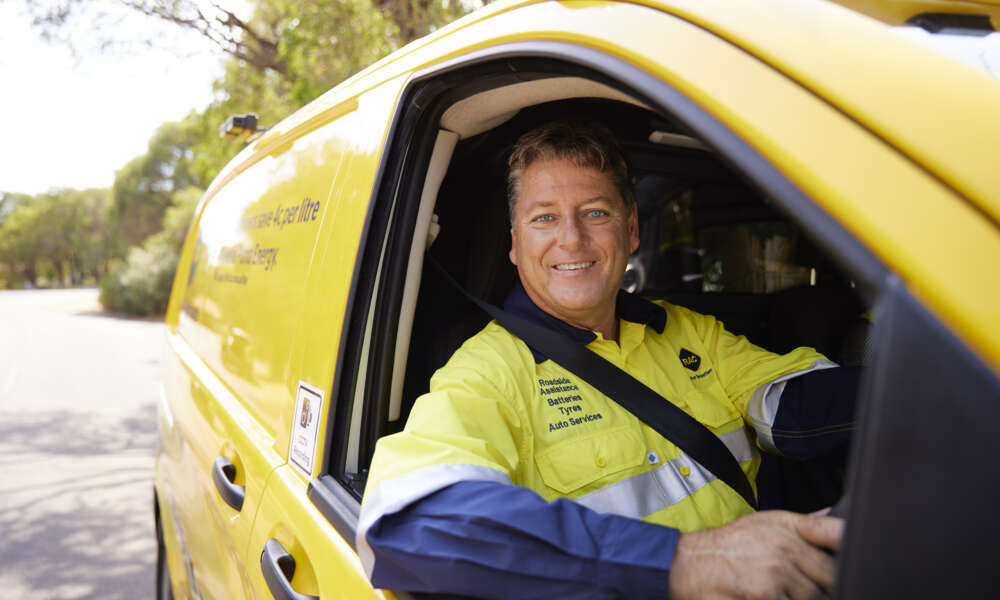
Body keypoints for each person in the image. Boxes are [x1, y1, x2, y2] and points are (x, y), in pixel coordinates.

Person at [357, 121, 859, 599]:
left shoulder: (686, 330)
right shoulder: (489, 372)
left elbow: (790, 406)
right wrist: (684, 561)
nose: (571, 238)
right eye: (544, 218)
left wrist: (919, 388)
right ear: (515, 243)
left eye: (595, 212)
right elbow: (410, 521)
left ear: (632, 229)